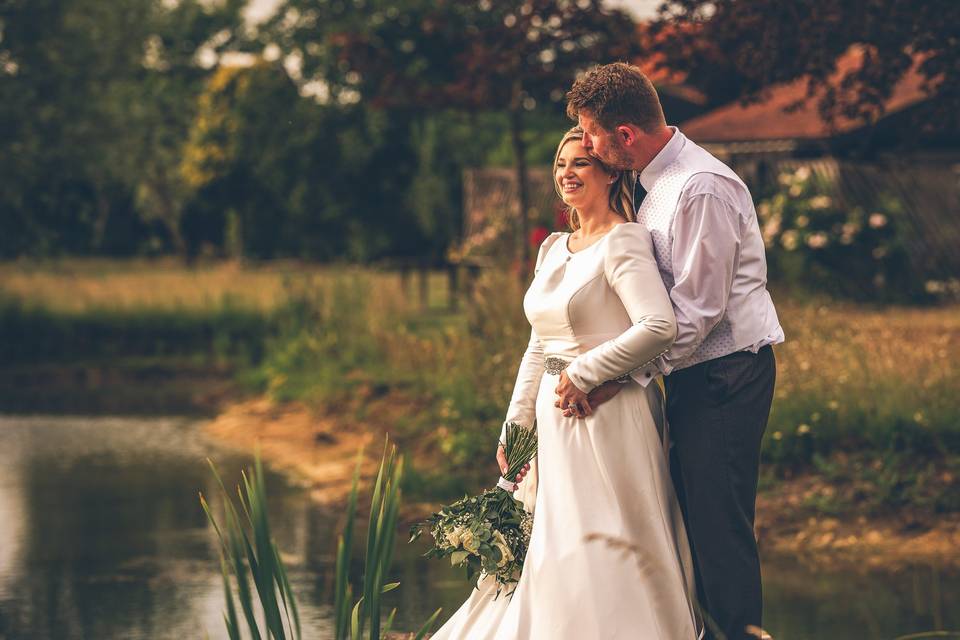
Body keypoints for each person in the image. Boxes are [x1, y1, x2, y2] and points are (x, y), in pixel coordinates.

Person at [430, 127, 702, 640]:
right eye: (560, 164)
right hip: (554, 423)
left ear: (610, 172)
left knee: (606, 535)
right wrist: (517, 422)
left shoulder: (624, 241)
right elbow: (538, 344)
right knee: (555, 538)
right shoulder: (553, 248)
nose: (567, 173)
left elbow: (658, 326)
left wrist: (585, 372)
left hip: (608, 416)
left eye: (581, 163)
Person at [564, 62, 784, 640]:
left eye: (590, 134)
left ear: (625, 136)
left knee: (718, 523)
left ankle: (739, 635)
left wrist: (619, 377)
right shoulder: (650, 183)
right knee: (687, 521)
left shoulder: (699, 188)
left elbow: (698, 313)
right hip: (689, 375)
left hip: (726, 373)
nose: (585, 146)